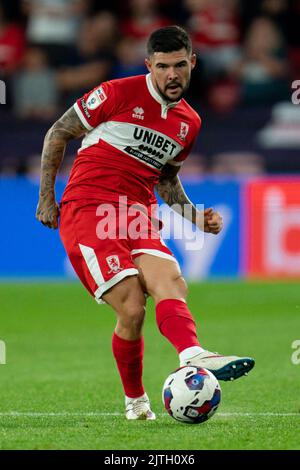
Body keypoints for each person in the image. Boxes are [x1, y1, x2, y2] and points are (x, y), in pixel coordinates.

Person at [36, 25, 255, 421]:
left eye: (179, 66)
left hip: (138, 214)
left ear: (192, 63)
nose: (172, 75)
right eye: (163, 67)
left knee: (171, 280)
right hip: (89, 208)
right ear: (149, 66)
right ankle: (135, 401)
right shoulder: (117, 93)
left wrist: (193, 216)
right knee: (133, 308)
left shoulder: (189, 122)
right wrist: (46, 197)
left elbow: (167, 179)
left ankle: (193, 353)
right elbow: (59, 133)